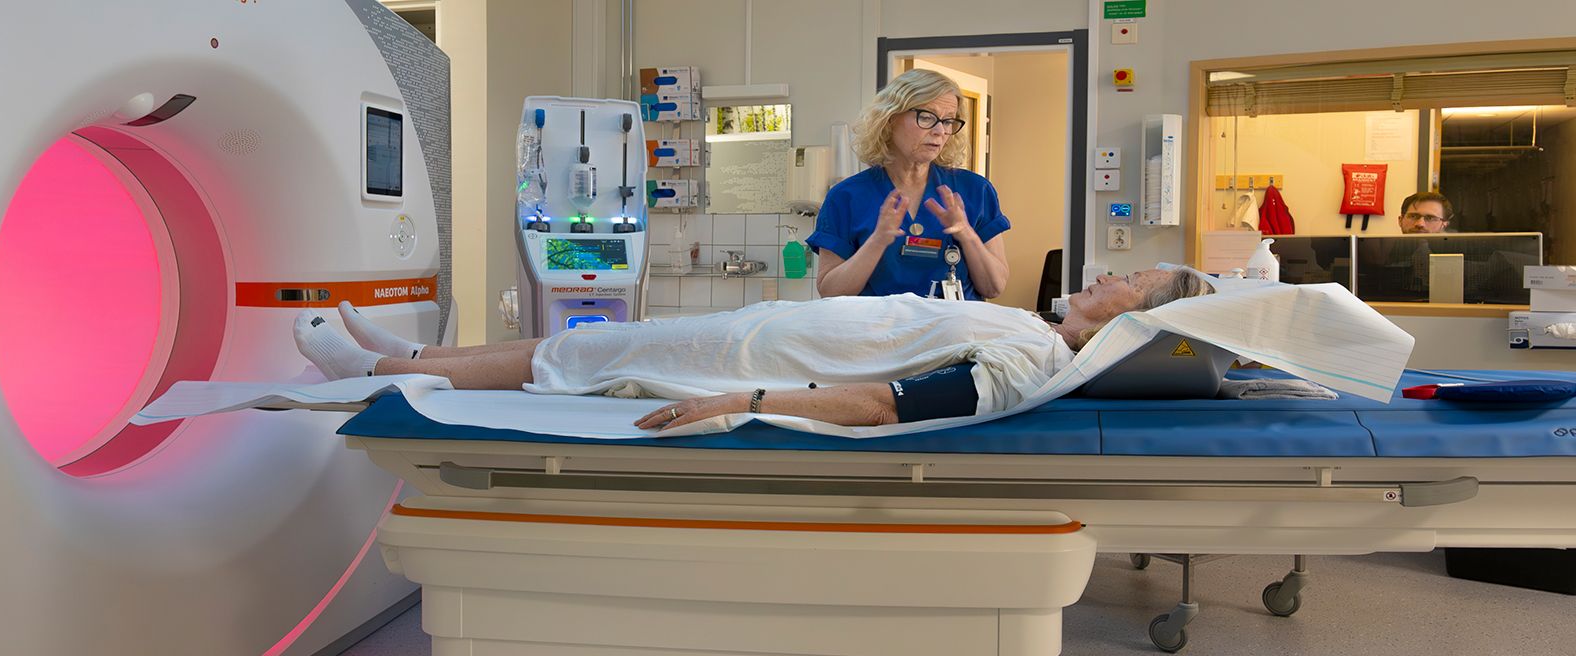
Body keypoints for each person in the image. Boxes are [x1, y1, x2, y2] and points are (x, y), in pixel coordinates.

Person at [293, 268, 1212, 431]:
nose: (1108, 274)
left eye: (1129, 281)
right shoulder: (1034, 327)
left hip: (741, 371)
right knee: (583, 339)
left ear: (1139, 322)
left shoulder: (1034, 364)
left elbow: (890, 408)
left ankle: (376, 373)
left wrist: (745, 405)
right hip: (751, 333)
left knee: (576, 359)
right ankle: (414, 352)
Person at [810, 69, 1011, 301]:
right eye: (926, 117)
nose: (940, 131)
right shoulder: (846, 197)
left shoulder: (976, 190)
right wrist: (877, 241)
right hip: (878, 332)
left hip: (954, 333)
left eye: (948, 121)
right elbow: (830, 291)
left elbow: (994, 288)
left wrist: (966, 234)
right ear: (890, 119)